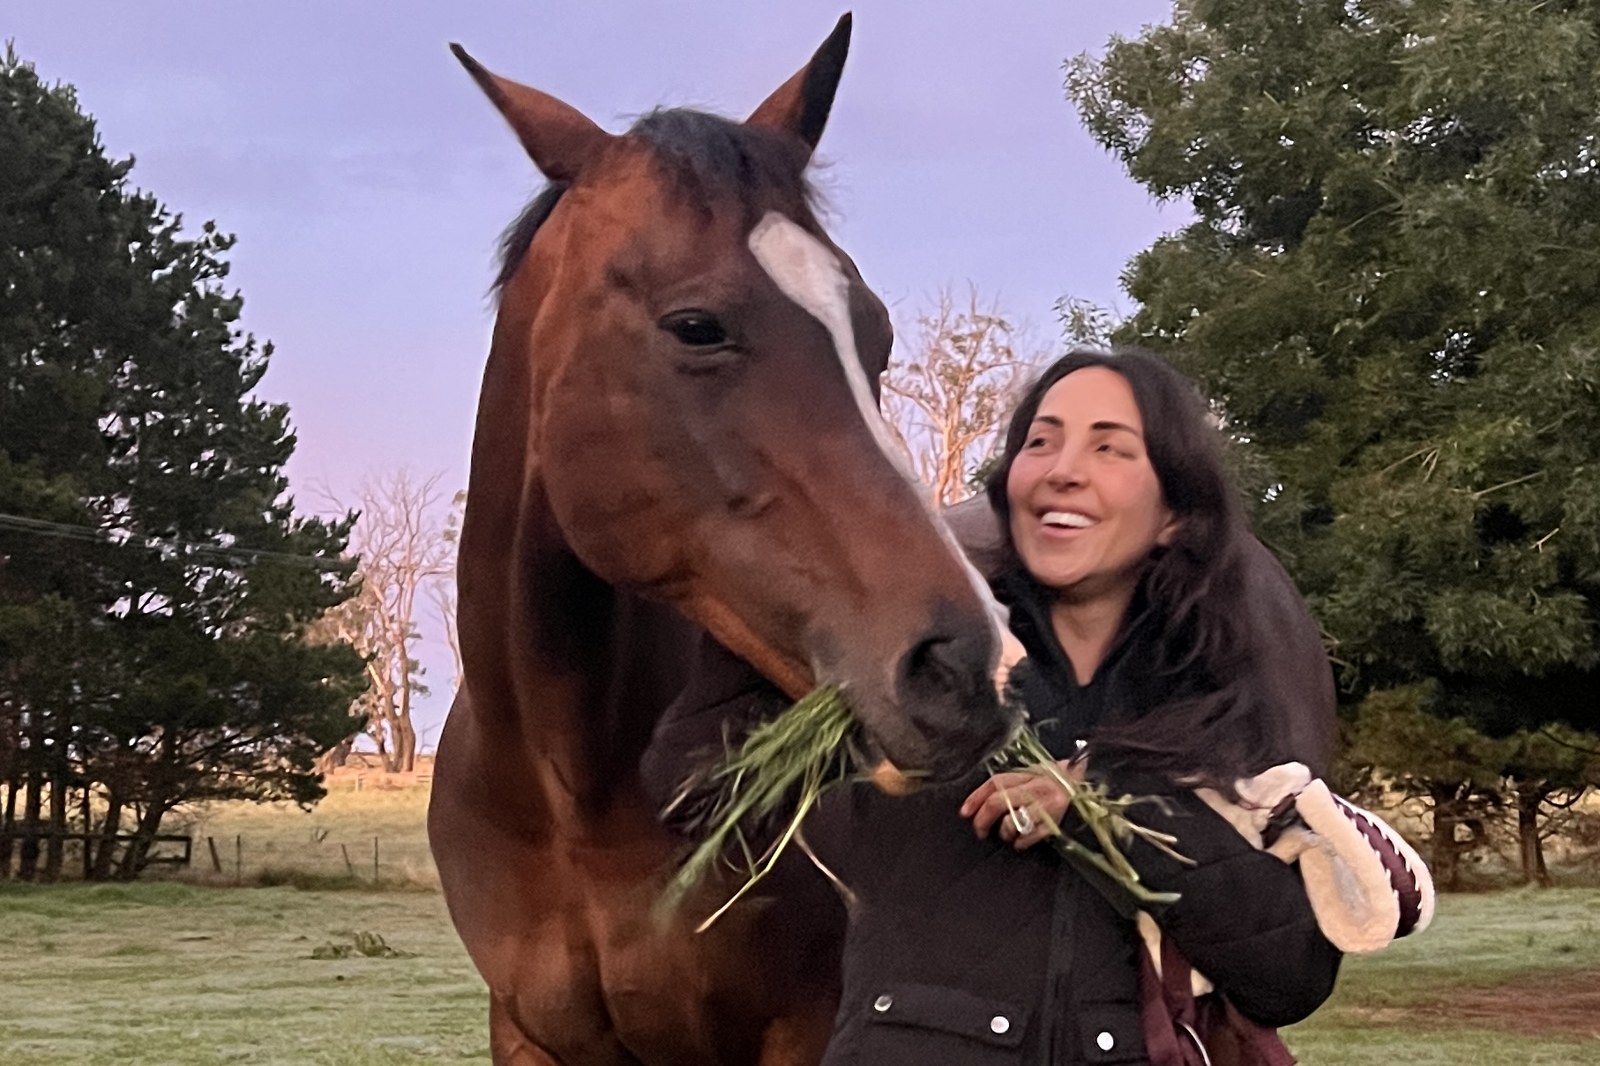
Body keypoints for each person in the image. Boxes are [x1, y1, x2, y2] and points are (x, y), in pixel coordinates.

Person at [645, 348, 1346, 1065]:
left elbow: (1288, 976)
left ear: (1172, 514)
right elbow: (695, 793)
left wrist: (1102, 802)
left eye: (1109, 448)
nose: (1062, 469)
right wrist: (770, 602)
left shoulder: (1215, 696)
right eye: (1040, 442)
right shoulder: (922, 652)